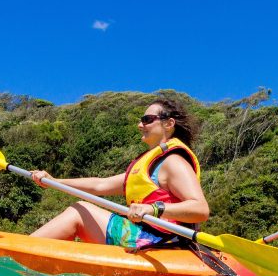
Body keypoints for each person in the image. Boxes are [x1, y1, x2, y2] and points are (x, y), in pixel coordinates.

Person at [29, 98, 210, 248]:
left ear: (169, 123)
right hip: (143, 235)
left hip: (160, 241)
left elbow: (200, 209)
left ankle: (19, 254)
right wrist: (54, 180)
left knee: (79, 211)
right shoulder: (149, 166)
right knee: (80, 208)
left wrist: (152, 209)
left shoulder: (174, 162)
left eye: (147, 119)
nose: (140, 125)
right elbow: (100, 185)